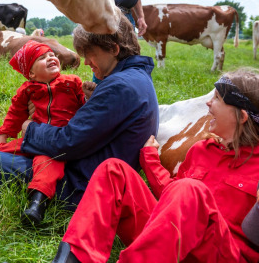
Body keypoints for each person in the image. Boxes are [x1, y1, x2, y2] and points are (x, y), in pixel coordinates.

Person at [0, 15, 159, 212]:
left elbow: (66, 143)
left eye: (90, 53)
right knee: (0, 150)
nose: (86, 62)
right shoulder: (134, 78)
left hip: (78, 183)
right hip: (87, 166)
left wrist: (29, 128)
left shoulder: (120, 86)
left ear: (114, 49)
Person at [52, 68, 259, 263]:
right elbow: (174, 197)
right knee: (114, 169)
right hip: (167, 244)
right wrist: (150, 158)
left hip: (222, 253)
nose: (208, 103)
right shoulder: (202, 150)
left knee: (190, 188)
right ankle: (75, 257)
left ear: (241, 117)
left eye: (217, 99)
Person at [0, 40, 85, 224]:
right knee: (2, 149)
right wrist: (3, 136)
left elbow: (86, 105)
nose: (51, 57)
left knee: (46, 165)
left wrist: (88, 94)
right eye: (42, 58)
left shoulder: (72, 82)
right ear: (31, 73)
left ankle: (37, 203)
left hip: (54, 145)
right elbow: (14, 114)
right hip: (32, 140)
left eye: (52, 55)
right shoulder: (27, 90)